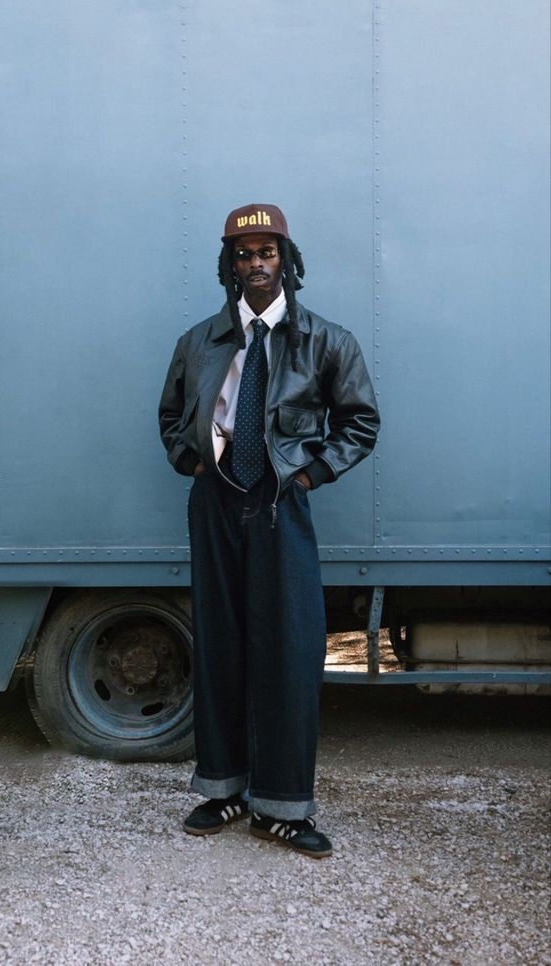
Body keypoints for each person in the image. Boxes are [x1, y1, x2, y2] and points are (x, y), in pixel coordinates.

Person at [159, 203, 379, 859]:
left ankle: (281, 808)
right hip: (218, 502)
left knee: (287, 647)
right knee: (221, 643)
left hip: (282, 501)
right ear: (229, 265)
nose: (256, 264)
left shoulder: (326, 341)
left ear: (288, 260)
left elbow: (360, 423)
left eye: (268, 253)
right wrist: (193, 461)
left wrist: (307, 477)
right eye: (243, 254)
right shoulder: (199, 341)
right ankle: (224, 787)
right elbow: (171, 415)